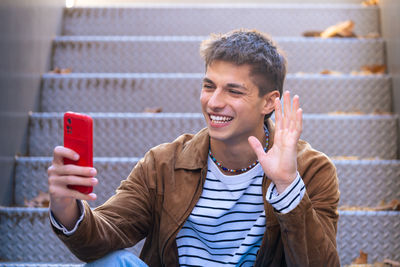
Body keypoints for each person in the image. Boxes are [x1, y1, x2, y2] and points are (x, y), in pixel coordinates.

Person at [48, 29, 340, 266]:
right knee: (110, 264)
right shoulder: (163, 164)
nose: (214, 102)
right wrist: (66, 207)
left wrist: (288, 185)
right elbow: (102, 235)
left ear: (268, 102)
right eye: (209, 86)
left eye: (233, 91)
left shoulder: (311, 169)